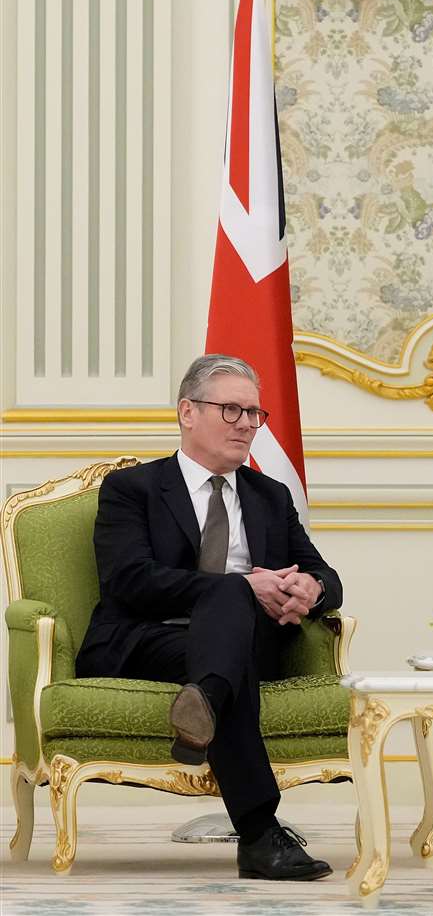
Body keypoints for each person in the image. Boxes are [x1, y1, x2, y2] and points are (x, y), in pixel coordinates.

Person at [76, 355, 342, 882]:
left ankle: (205, 700)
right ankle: (261, 836)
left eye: (255, 413)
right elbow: (130, 581)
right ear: (187, 412)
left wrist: (307, 590)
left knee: (232, 622)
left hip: (245, 643)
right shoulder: (133, 489)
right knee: (231, 597)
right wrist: (241, 587)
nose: (247, 424)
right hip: (149, 640)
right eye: (231, 410)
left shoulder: (270, 495)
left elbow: (327, 578)